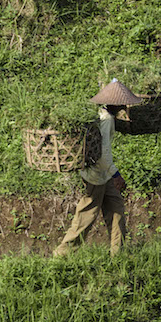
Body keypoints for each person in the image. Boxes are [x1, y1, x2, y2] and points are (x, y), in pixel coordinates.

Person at [52, 79, 141, 258]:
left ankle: (118, 253)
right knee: (86, 216)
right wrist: (116, 175)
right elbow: (103, 154)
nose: (125, 106)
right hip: (98, 175)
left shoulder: (103, 114)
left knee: (116, 210)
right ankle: (62, 254)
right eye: (123, 103)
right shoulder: (106, 119)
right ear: (118, 104)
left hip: (102, 174)